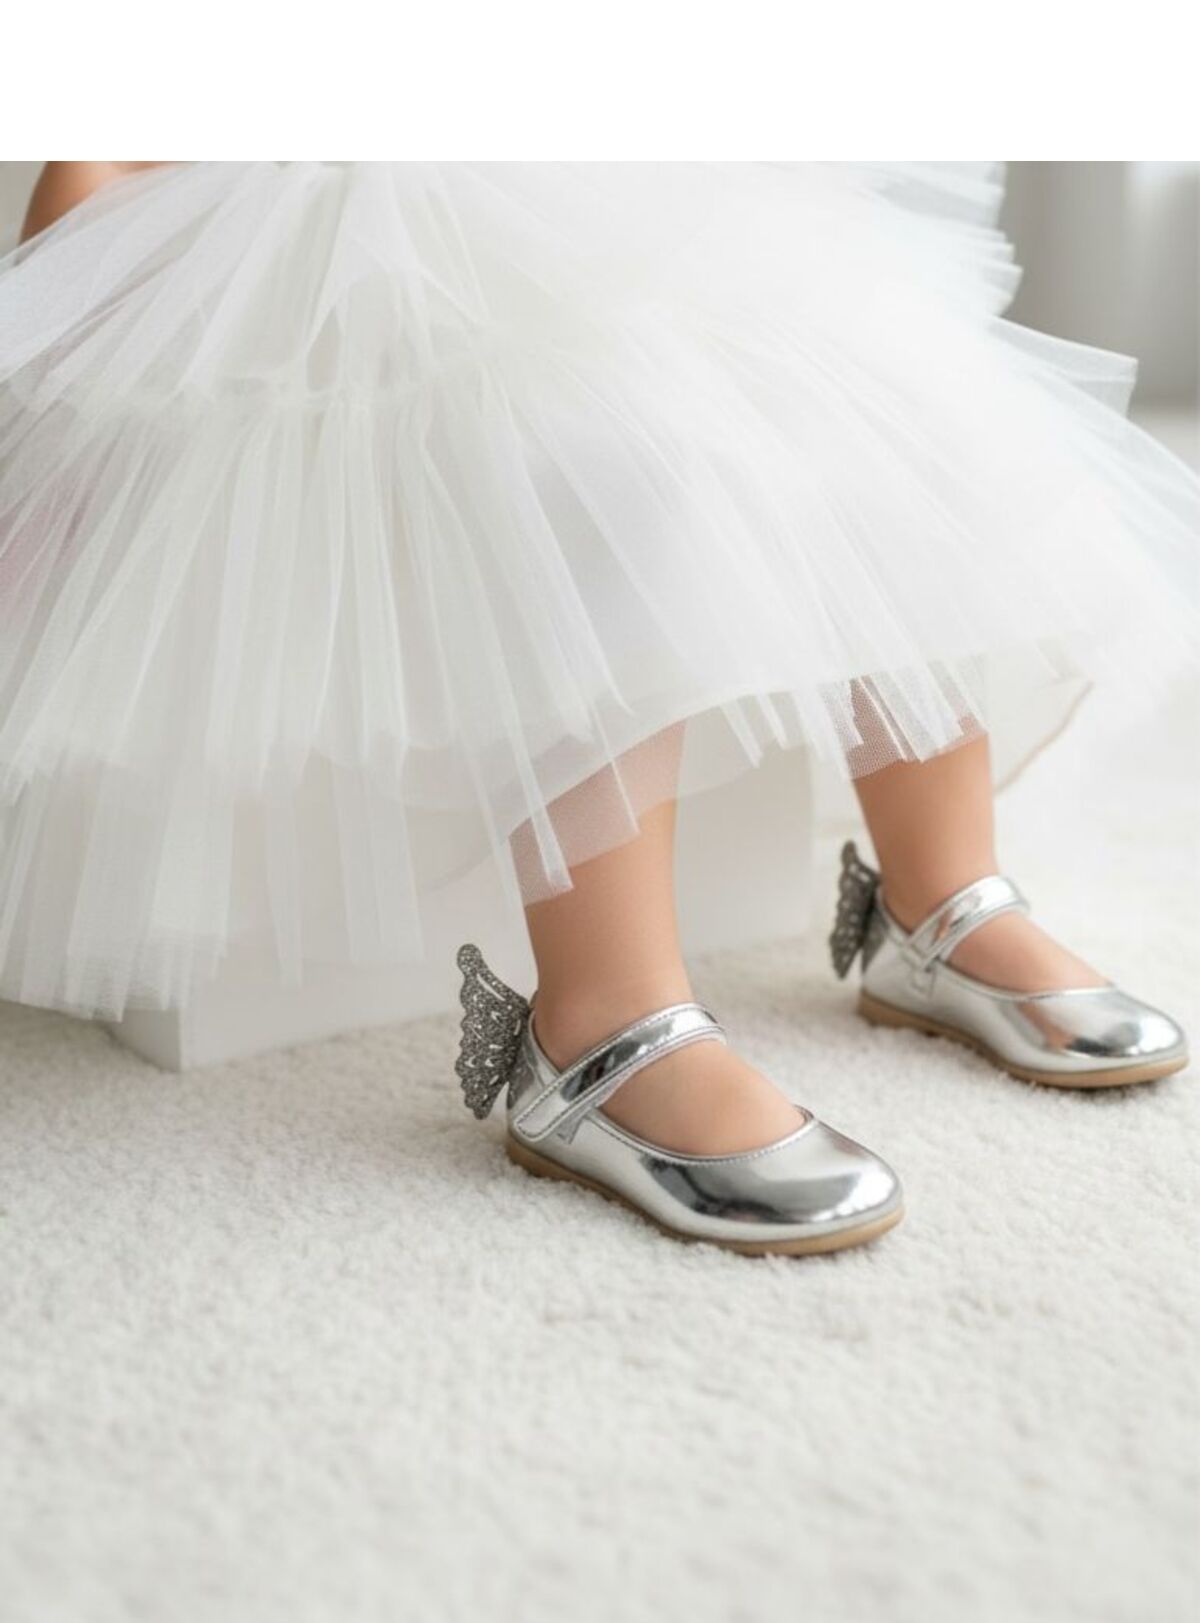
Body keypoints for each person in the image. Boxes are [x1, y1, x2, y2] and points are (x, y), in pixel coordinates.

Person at [3, 161, 1196, 1255]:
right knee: (588, 451)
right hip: (292, 216)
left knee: (884, 388)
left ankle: (937, 893)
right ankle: (600, 1022)